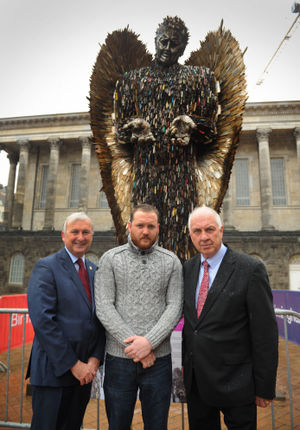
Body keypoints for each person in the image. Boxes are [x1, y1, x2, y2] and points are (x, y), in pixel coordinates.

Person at [113, 16, 219, 260]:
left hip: (181, 174)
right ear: (155, 40)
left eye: (174, 44)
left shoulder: (199, 78)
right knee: (144, 232)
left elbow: (212, 130)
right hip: (145, 172)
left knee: (181, 236)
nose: (167, 49)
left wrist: (193, 126)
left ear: (183, 48)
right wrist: (133, 130)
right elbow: (119, 130)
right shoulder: (132, 80)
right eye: (164, 42)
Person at [182, 206, 278, 430]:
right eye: (197, 231)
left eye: (210, 230)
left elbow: (265, 332)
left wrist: (264, 387)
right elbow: (193, 325)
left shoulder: (250, 269)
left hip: (237, 382)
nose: (204, 237)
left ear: (221, 230)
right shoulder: (188, 268)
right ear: (190, 235)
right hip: (198, 382)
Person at [94, 203, 183, 430]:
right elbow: (104, 306)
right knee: (118, 424)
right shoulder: (110, 259)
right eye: (140, 225)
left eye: (151, 226)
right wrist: (138, 347)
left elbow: (174, 306)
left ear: (158, 228)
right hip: (119, 360)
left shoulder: (171, 261)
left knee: (156, 425)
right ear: (129, 226)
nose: (145, 231)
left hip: (159, 361)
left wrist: (149, 343)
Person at [26, 212, 106, 430]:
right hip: (54, 372)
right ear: (63, 235)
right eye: (75, 232)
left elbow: (99, 320)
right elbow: (43, 321)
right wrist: (73, 365)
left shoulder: (94, 271)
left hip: (83, 376)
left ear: (92, 236)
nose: (80, 237)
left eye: (86, 232)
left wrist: (94, 360)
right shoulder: (46, 267)